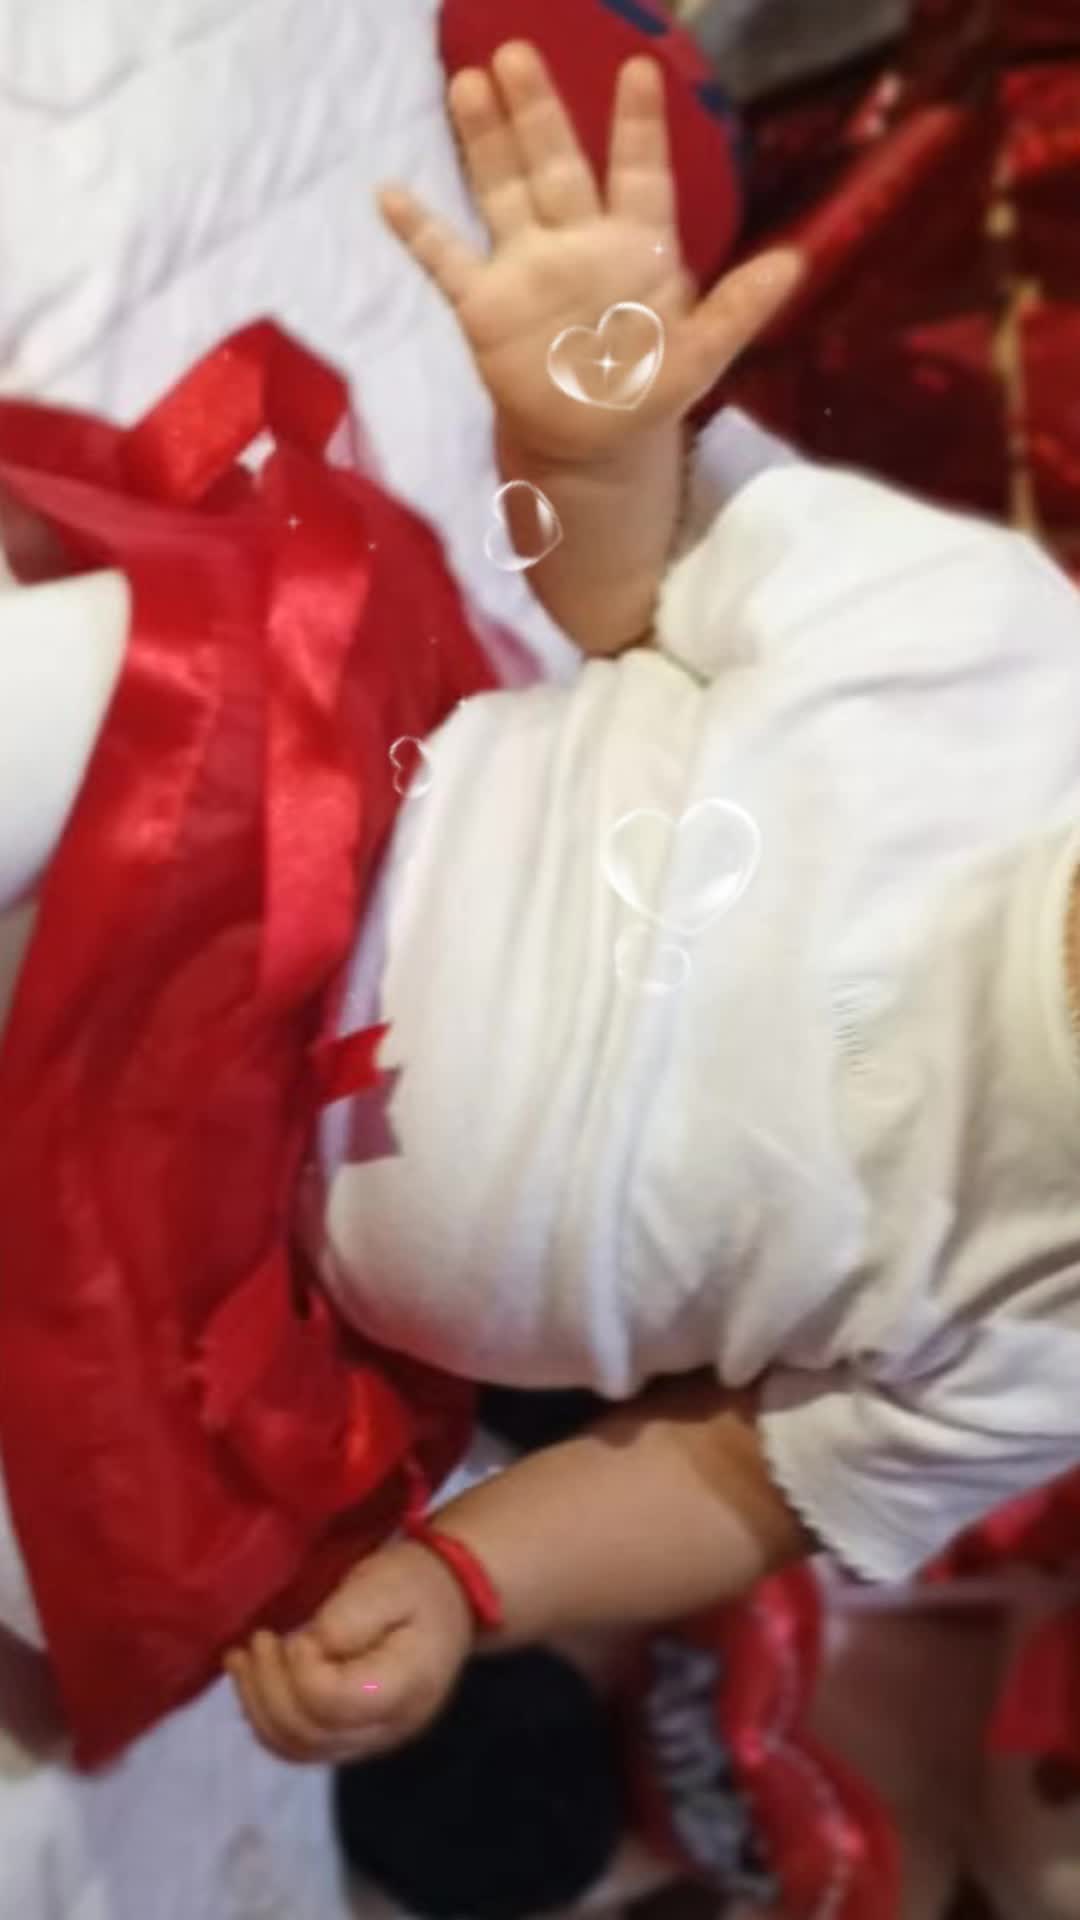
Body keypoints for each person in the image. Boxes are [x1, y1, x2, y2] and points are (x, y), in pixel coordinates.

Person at [210, 42, 1080, 1769]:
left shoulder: (1055, 1336)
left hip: (250, 1286)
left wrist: (465, 1578)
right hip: (274, 825)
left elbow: (745, 1476)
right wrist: (589, 442)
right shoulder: (1004, 657)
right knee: (85, 706)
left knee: (95, 1565)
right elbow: (627, 589)